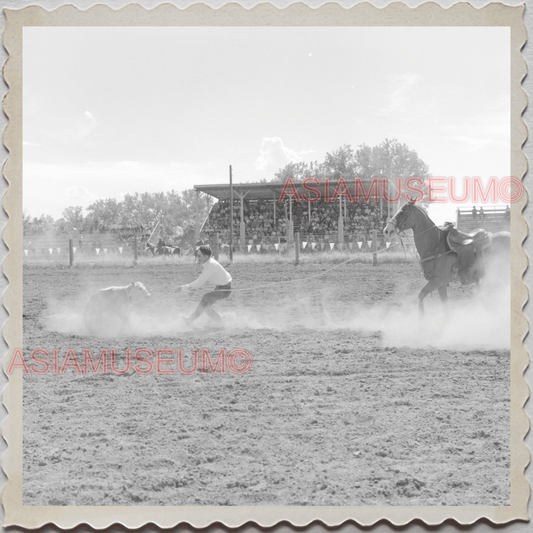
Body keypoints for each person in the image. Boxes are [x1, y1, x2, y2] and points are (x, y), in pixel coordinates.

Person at [176, 245, 232, 327]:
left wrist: (182, 288)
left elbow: (199, 282)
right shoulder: (209, 263)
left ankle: (190, 320)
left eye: (199, 255)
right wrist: (193, 288)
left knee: (205, 300)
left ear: (206, 256)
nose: (197, 257)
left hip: (224, 289)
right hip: (222, 287)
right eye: (197, 255)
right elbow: (201, 281)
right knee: (206, 307)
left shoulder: (210, 266)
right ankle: (220, 323)